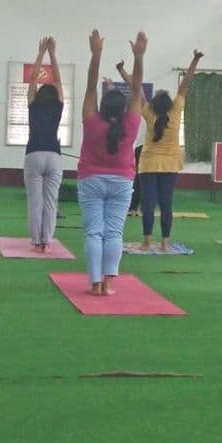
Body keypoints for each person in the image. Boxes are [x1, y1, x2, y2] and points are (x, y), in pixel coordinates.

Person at [78, 29, 144, 296]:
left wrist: (96, 55)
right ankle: (108, 285)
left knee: (94, 232)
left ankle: (94, 284)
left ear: (102, 107)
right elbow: (138, 88)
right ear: (124, 108)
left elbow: (90, 87)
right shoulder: (132, 122)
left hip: (91, 181)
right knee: (114, 233)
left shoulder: (91, 121)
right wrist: (139, 57)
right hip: (122, 182)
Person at [121, 49, 203, 252]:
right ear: (169, 104)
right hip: (170, 164)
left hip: (148, 164)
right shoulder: (175, 112)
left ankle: (147, 241)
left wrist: (122, 71)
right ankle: (165, 242)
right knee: (166, 203)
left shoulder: (148, 113)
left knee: (147, 203)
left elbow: (136, 89)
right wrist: (195, 59)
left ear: (154, 105)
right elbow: (185, 83)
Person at [24, 36, 64, 252]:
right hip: (54, 156)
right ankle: (46, 242)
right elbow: (58, 80)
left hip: (34, 155)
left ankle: (36, 241)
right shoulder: (58, 106)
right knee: (51, 201)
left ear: (39, 95)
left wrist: (41, 53)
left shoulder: (33, 105)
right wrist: (53, 54)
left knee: (35, 202)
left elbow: (32, 80)